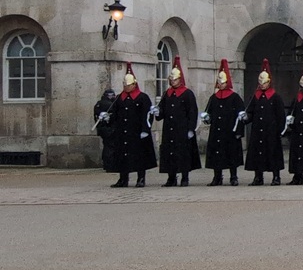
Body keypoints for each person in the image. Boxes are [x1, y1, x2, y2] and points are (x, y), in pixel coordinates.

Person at [103, 62, 157, 188]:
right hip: (123, 131)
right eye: (124, 85)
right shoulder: (119, 98)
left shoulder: (142, 97)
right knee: (122, 156)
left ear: (134, 84)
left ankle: (141, 178)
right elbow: (114, 114)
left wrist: (145, 129)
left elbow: (148, 114)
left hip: (137, 131)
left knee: (139, 156)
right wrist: (107, 118)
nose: (126, 87)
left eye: (129, 85)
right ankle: (123, 179)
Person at [152, 55, 201, 187]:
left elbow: (192, 112)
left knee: (183, 153)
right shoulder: (167, 93)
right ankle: (171, 177)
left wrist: (191, 128)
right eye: (171, 80)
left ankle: (185, 177)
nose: (172, 82)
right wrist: (158, 112)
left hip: (182, 128)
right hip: (169, 128)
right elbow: (162, 110)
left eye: (174, 80)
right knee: (170, 153)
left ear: (180, 80)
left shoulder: (187, 93)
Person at [241, 58, 286, 186]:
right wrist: (246, 118)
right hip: (257, 130)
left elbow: (280, 115)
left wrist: (280, 129)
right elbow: (251, 112)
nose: (262, 85)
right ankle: (258, 177)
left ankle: (276, 177)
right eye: (260, 83)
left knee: (273, 154)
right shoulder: (255, 96)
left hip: (271, 130)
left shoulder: (275, 97)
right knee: (257, 154)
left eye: (264, 83)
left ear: (269, 82)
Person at [202, 59, 245, 186]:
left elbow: (240, 115)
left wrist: (239, 131)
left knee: (231, 154)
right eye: (219, 82)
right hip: (217, 130)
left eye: (223, 82)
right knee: (216, 154)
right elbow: (208, 112)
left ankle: (233, 176)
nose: (220, 84)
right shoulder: (213, 98)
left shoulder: (235, 97)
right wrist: (206, 118)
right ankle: (217, 177)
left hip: (230, 131)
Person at [93, 88, 116, 169]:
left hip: (102, 129)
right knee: (110, 147)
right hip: (109, 129)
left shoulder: (98, 104)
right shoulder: (110, 104)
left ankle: (106, 163)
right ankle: (109, 164)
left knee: (107, 146)